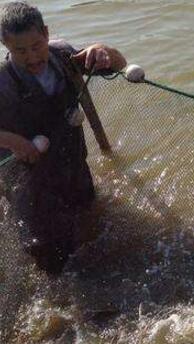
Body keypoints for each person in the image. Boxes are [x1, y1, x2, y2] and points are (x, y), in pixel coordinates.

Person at [0, 1, 127, 274]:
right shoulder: (2, 82)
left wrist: (104, 51)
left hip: (72, 163)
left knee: (88, 218)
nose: (32, 57)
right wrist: (11, 140)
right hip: (28, 179)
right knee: (47, 252)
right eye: (20, 51)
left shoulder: (64, 55)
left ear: (46, 33)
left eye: (36, 46)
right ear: (6, 46)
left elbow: (120, 64)